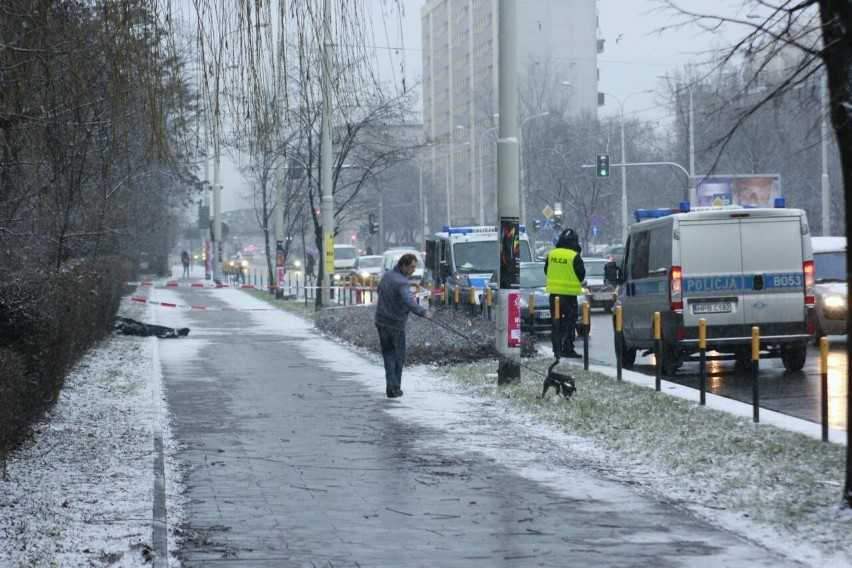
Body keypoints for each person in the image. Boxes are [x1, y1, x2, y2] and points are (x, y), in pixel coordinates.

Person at [374, 253, 433, 398]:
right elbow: (409, 300)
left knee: (388, 355)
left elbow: (379, 291)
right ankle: (395, 388)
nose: (413, 270)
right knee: (398, 357)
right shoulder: (402, 282)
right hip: (395, 324)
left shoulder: (387, 276)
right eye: (412, 267)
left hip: (381, 321)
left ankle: (390, 386)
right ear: (404, 265)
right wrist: (423, 312)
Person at [544, 228, 586, 359]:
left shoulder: (552, 254)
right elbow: (581, 274)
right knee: (569, 322)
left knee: (556, 321)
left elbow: (546, 270)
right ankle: (567, 348)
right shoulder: (574, 256)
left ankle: (556, 348)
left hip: (554, 295)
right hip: (569, 295)